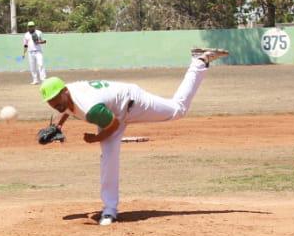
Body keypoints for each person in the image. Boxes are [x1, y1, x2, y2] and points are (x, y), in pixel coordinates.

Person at [37, 47, 229, 226]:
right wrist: (57, 126)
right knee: (109, 158)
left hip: (133, 103)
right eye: (50, 102)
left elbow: (113, 125)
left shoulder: (89, 107)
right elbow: (67, 108)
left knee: (178, 110)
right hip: (110, 110)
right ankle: (109, 210)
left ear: (65, 91)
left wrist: (95, 138)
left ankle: (198, 62)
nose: (55, 104)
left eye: (56, 99)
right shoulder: (67, 94)